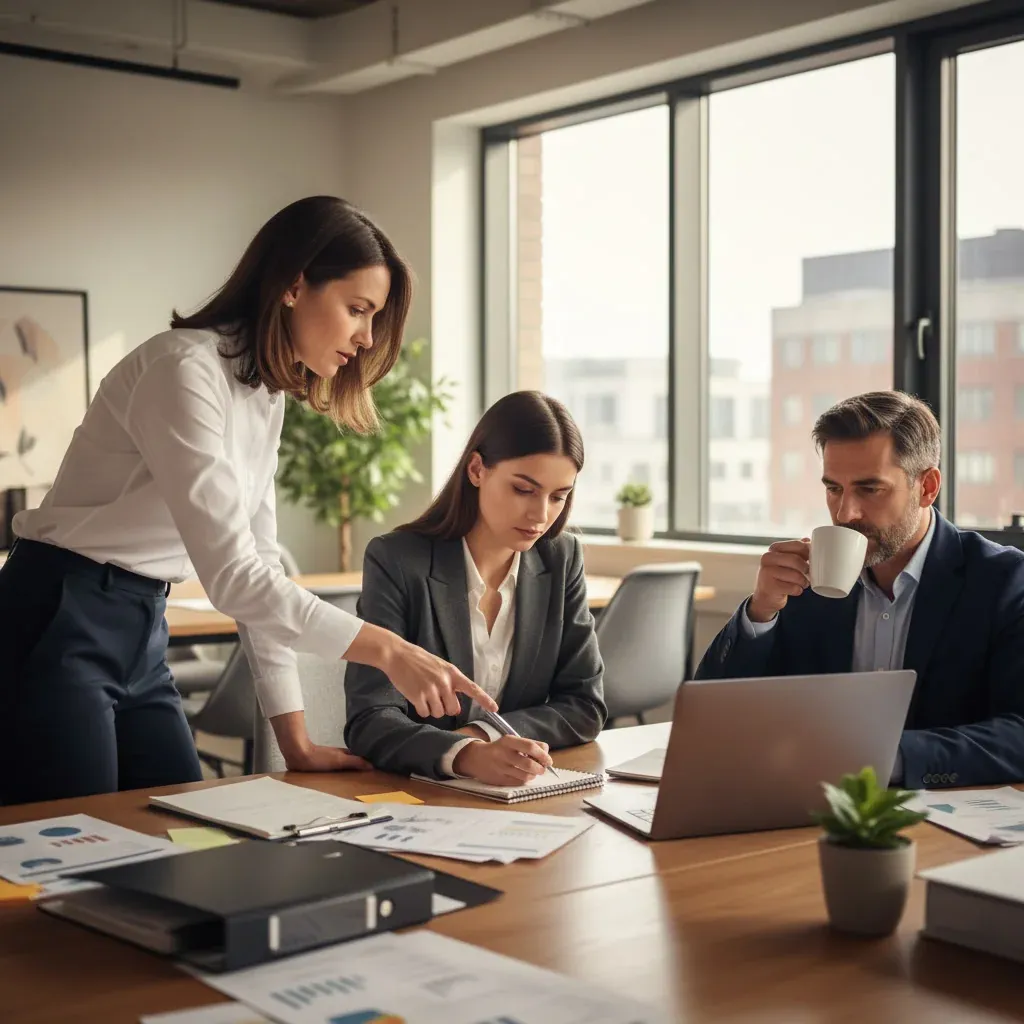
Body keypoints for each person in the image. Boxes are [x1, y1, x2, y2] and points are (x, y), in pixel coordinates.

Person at [0, 196, 496, 806]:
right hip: (58, 612)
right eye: (358, 309)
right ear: (294, 285)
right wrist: (389, 649)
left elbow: (257, 569)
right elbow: (233, 579)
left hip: (141, 628)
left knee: (179, 835)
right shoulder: (181, 370)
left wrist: (297, 743)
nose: (367, 338)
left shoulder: (266, 397)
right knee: (67, 853)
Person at [697, 390, 1024, 790]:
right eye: (834, 488)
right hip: (803, 809)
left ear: (927, 487)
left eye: (869, 489)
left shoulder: (1004, 582)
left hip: (942, 821)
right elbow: (712, 717)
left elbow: (1018, 732)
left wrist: (883, 757)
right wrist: (761, 612)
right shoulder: (808, 580)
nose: (845, 513)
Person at [344, 391, 607, 784]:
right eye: (523, 489)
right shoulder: (397, 560)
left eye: (559, 497)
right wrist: (463, 756)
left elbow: (585, 705)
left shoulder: (561, 557)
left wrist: (483, 735)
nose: (541, 516)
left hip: (520, 797)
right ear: (477, 470)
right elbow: (370, 719)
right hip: (418, 799)